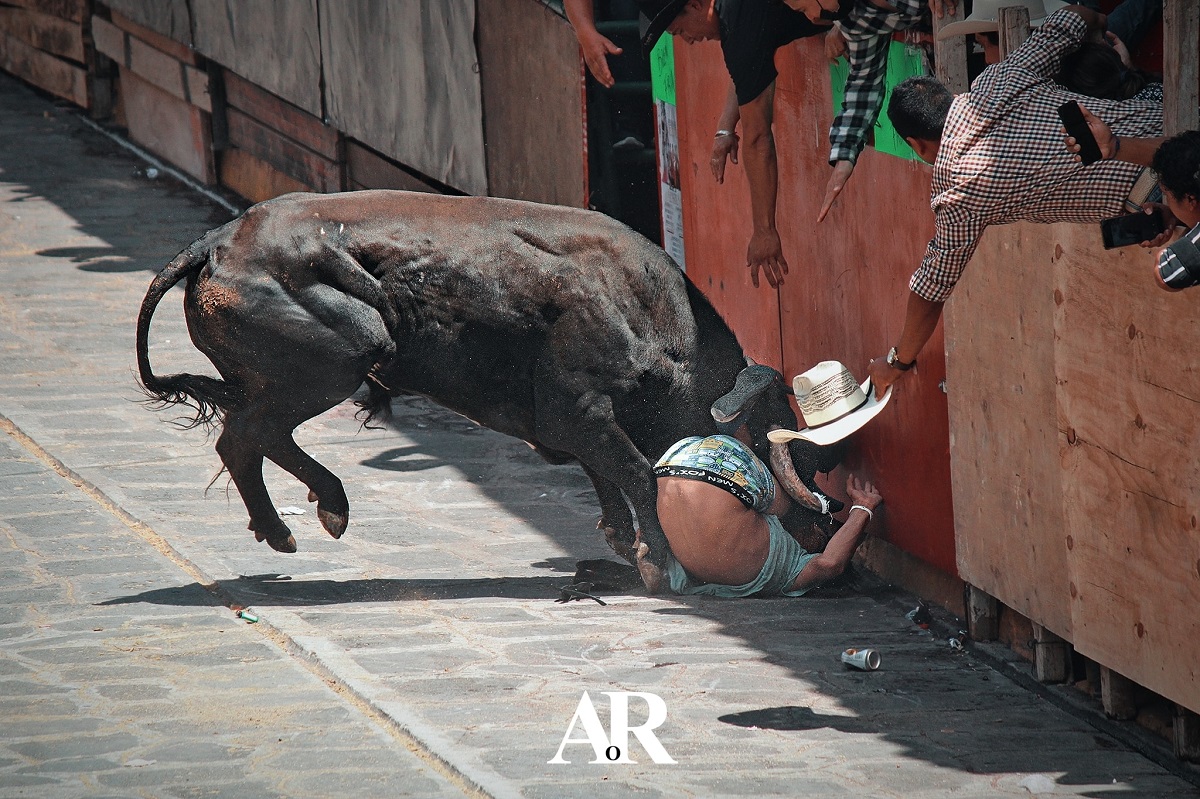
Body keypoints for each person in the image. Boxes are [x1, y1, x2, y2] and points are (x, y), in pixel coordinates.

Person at [864, 5, 1163, 398]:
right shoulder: (998, 78)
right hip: (1170, 112)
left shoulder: (958, 190)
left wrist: (897, 363)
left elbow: (931, 289)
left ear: (918, 146)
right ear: (949, 97)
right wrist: (1102, 33)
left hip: (1161, 187)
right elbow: (1072, 18)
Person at [638, 0, 953, 289]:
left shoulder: (745, 23)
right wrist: (725, 128)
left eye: (680, 31)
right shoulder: (747, 23)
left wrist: (764, 230)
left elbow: (758, 136)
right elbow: (749, 69)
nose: (688, 40)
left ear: (696, 5)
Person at [653, 361, 889, 597]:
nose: (821, 535)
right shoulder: (780, 573)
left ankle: (739, 425)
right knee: (784, 502)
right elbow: (829, 564)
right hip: (675, 464)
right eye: (825, 534)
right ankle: (735, 427)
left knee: (786, 503)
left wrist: (860, 509)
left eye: (824, 533)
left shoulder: (781, 569)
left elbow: (826, 559)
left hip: (704, 469)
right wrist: (863, 508)